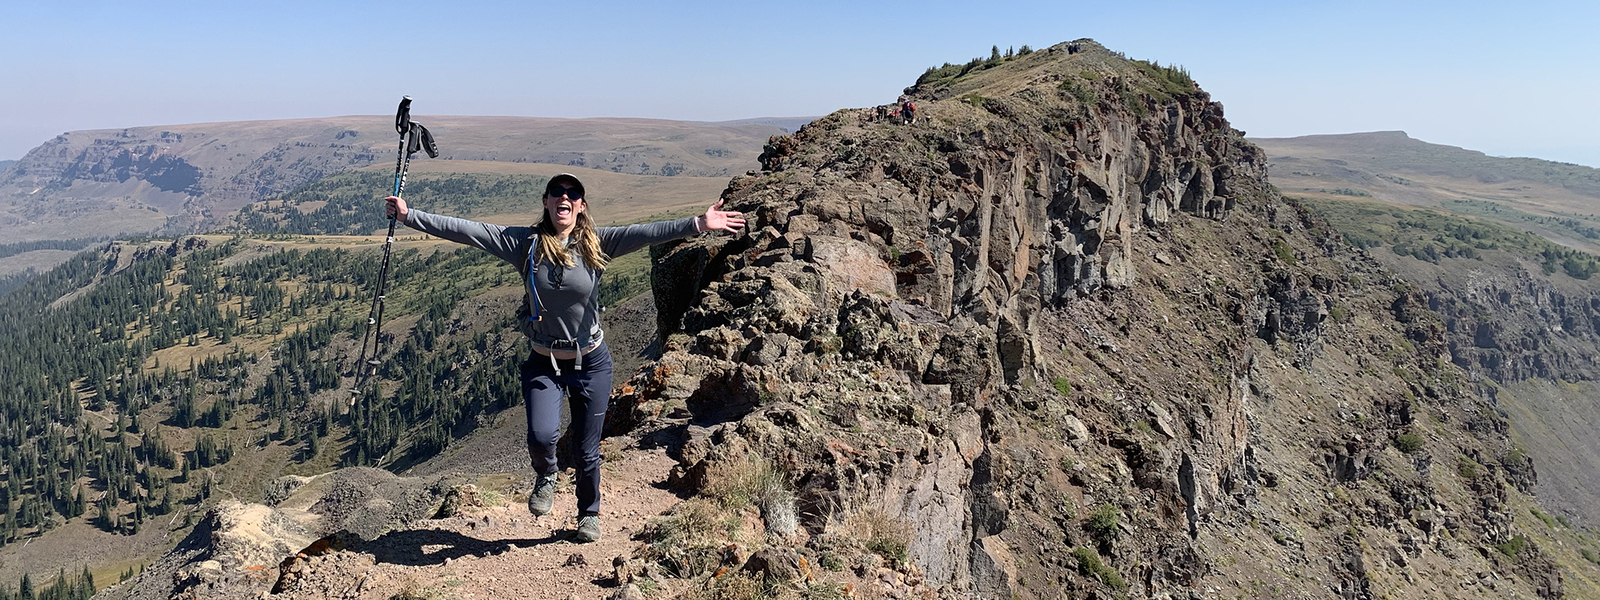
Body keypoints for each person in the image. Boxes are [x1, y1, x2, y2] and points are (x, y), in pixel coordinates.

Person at [382, 173, 745, 542]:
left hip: (591, 363)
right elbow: (468, 230)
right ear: (546, 201)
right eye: (557, 192)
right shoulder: (524, 243)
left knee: (587, 450)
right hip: (544, 362)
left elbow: (648, 232)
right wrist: (410, 216)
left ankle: (588, 514)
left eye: (573, 194)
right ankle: (547, 473)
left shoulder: (597, 243)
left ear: (582, 206)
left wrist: (698, 224)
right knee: (541, 437)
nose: (564, 198)